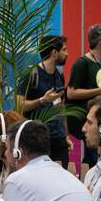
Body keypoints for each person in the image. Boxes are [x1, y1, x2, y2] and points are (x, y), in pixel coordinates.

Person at [67, 23, 101, 165]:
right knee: (92, 159)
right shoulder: (82, 63)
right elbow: (71, 93)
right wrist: (100, 91)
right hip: (89, 121)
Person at [17, 34, 71, 164]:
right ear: (54, 52)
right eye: (64, 50)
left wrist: (65, 135)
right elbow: (19, 106)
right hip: (38, 141)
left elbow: (61, 108)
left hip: (58, 140)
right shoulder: (31, 74)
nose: (67, 53)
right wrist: (42, 100)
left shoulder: (59, 75)